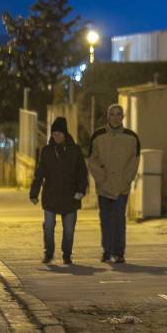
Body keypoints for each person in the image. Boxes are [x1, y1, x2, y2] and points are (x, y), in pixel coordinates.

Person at [30, 116, 88, 266]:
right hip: (51, 196)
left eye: (59, 133)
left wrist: (81, 190)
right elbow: (40, 172)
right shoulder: (47, 151)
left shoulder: (74, 150)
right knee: (48, 227)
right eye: (54, 133)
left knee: (69, 230)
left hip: (70, 196)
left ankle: (67, 254)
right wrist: (34, 193)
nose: (57, 136)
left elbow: (82, 172)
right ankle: (48, 253)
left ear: (65, 133)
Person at [87, 103, 140, 264]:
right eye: (112, 114)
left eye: (119, 114)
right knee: (105, 219)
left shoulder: (132, 137)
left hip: (122, 187)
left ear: (123, 117)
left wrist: (126, 180)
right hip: (104, 187)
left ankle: (119, 252)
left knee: (119, 219)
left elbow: (134, 161)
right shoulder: (98, 136)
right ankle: (106, 250)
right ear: (107, 116)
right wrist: (101, 178)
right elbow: (92, 159)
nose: (115, 118)